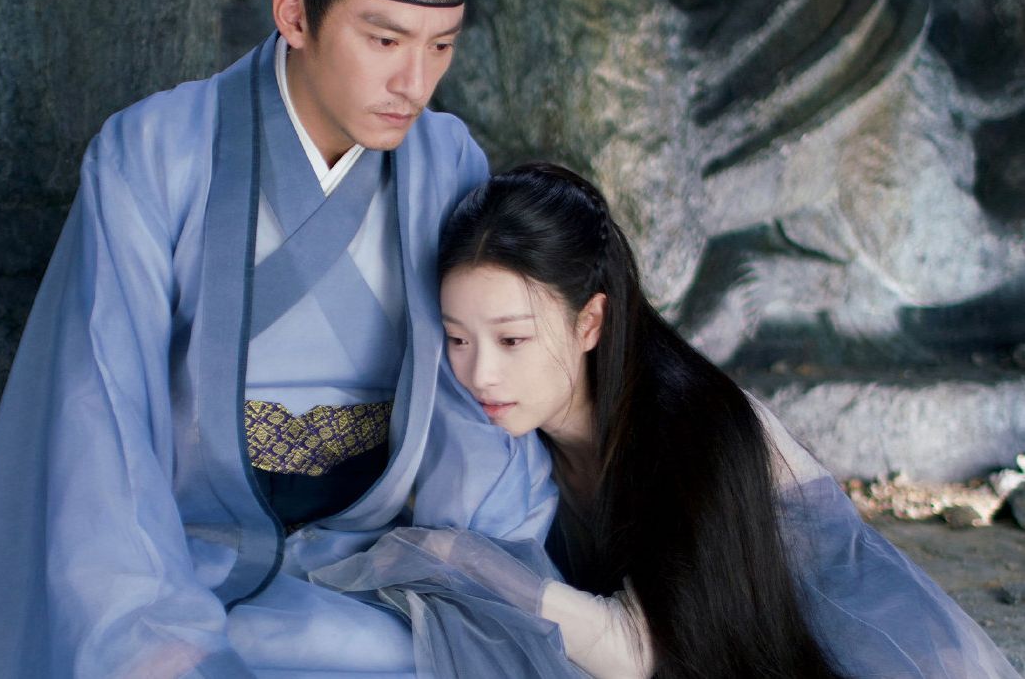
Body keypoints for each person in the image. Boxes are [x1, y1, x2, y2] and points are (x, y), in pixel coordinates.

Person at [0, 0, 556, 678]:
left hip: (365, 551)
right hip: (182, 544)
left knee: (440, 650)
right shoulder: (155, 151)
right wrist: (142, 615)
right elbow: (103, 401)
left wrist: (490, 570)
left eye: (441, 47)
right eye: (384, 40)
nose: (415, 83)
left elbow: (469, 397)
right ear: (294, 14)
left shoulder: (447, 158)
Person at [314, 162, 1021, 678]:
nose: (479, 375)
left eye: (513, 339)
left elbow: (640, 651)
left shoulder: (687, 427)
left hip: (839, 654)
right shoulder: (525, 430)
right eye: (458, 339)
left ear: (589, 322)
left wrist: (458, 560)